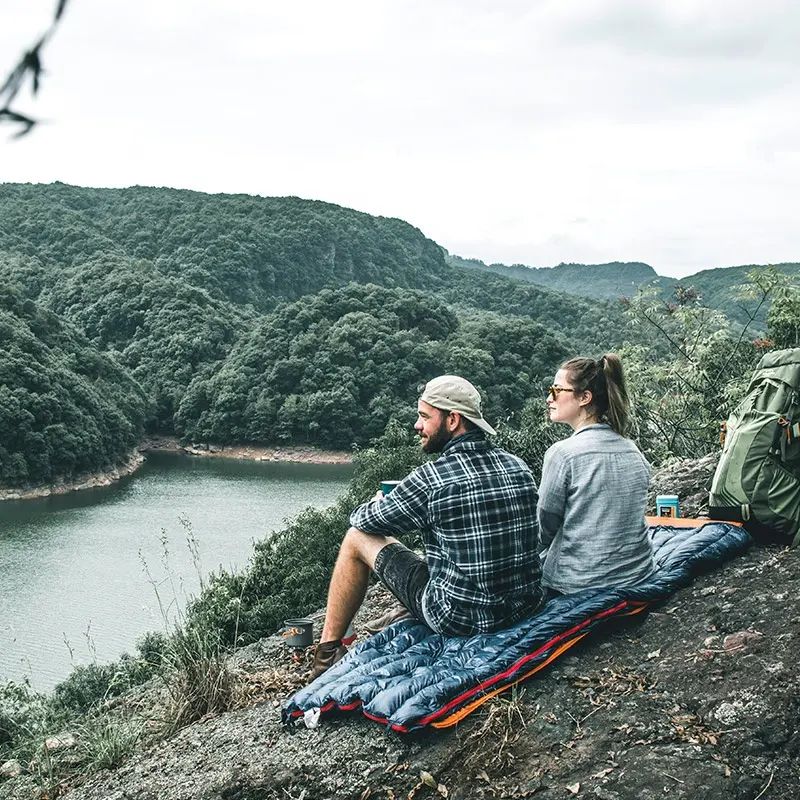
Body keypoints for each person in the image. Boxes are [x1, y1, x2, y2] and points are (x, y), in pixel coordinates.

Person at [312, 375, 543, 679]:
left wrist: (378, 502)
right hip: (523, 607)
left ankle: (327, 654)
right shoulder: (517, 466)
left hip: (459, 618)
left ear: (453, 420)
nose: (417, 425)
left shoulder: (432, 478)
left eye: (424, 416)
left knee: (356, 538)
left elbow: (363, 521)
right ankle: (396, 616)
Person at [537, 353, 655, 598]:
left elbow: (544, 528)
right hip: (638, 575)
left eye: (557, 390)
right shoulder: (632, 449)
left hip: (579, 584)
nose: (549, 397)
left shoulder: (563, 454)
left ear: (584, 397)